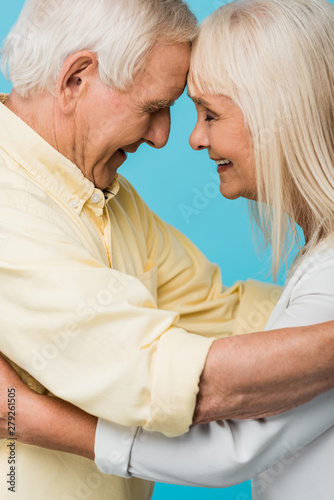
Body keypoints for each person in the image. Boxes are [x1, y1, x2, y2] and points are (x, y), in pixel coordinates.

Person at [1, 0, 334, 499]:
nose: (165, 138)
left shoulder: (110, 199)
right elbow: (170, 380)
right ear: (76, 80)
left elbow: (226, 313)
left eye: (202, 112)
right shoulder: (11, 211)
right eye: (154, 108)